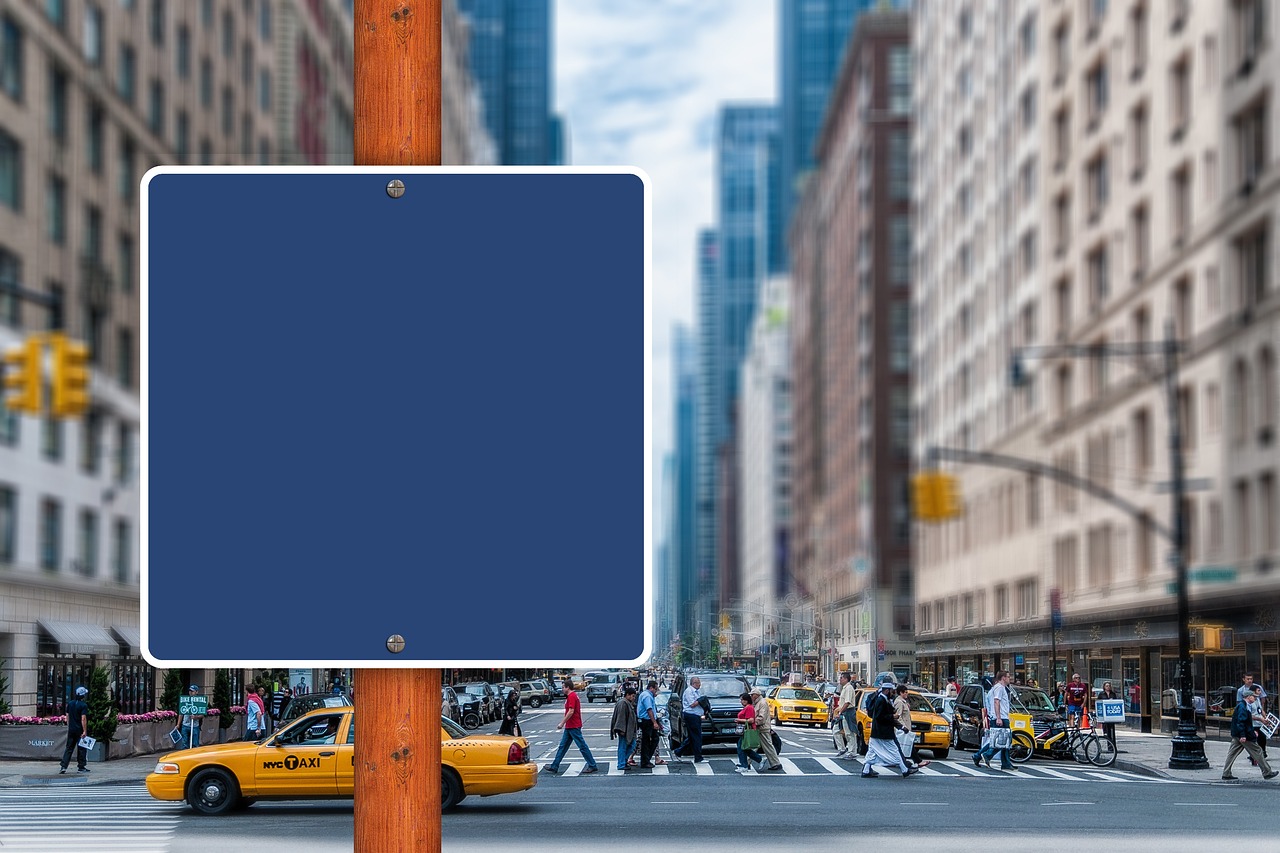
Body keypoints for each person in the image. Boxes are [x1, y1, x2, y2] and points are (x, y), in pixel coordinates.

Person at [860, 675, 915, 778]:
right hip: (883, 732)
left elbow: (881, 716)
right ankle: (904, 770)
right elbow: (879, 717)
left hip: (877, 732)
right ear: (887, 690)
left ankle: (866, 770)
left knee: (871, 752)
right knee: (895, 751)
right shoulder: (881, 700)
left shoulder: (884, 699)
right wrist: (892, 716)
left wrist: (901, 727)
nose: (893, 693)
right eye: (891, 691)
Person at [543, 679, 598, 775]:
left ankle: (592, 765)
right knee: (562, 746)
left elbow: (571, 711)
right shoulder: (571, 696)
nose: (562, 689)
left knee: (581, 746)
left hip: (573, 725)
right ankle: (555, 766)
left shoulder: (571, 696)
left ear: (568, 687)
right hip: (570, 726)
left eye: (563, 687)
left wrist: (562, 723)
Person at [1221, 688, 1278, 780]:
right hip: (1244, 736)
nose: (1255, 698)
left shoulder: (1244, 706)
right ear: (1248, 697)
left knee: (1232, 754)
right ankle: (1267, 772)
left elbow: (1246, 722)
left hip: (1238, 734)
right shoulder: (1243, 707)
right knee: (1258, 751)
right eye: (1253, 696)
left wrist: (1250, 731)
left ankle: (1226, 773)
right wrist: (1243, 735)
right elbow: (1241, 722)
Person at [974, 670, 1014, 771]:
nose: (1010, 679)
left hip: (998, 717)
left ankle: (1005, 763)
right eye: (1008, 677)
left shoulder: (997, 688)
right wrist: (999, 717)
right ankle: (987, 755)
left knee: (1000, 741)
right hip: (1000, 718)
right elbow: (996, 702)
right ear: (1003, 678)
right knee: (1001, 740)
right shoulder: (999, 688)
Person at [893, 683, 930, 770]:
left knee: (906, 745)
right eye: (905, 692)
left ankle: (909, 761)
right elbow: (898, 716)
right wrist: (903, 727)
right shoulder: (899, 702)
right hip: (903, 729)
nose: (907, 694)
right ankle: (917, 761)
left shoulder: (903, 702)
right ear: (900, 693)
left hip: (905, 728)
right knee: (907, 745)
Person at [749, 686, 784, 772]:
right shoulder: (758, 703)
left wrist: (754, 723)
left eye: (752, 695)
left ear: (756, 695)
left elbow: (762, 717)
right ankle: (747, 762)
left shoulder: (762, 703)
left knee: (765, 746)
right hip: (760, 728)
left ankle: (776, 763)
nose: (751, 697)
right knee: (757, 746)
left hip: (762, 728)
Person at [674, 676, 706, 762]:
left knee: (692, 737)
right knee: (697, 736)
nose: (700, 684)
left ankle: (679, 751)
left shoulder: (697, 691)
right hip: (691, 715)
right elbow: (692, 704)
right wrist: (700, 700)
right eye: (698, 682)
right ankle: (698, 756)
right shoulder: (689, 691)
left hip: (696, 716)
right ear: (694, 683)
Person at [59, 685, 90, 774]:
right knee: (82, 748)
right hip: (79, 730)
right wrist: (84, 730)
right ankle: (81, 766)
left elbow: (67, 715)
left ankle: (63, 766)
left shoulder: (70, 703)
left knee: (69, 748)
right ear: (83, 696)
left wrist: (69, 725)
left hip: (71, 729)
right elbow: (83, 718)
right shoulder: (83, 705)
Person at [1238, 673, 1268, 761]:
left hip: (1260, 722)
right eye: (1259, 691)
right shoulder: (1248, 701)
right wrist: (1260, 718)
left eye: (1251, 678)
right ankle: (1254, 756)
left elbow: (1261, 708)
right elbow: (1247, 714)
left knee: (1262, 738)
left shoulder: (1257, 699)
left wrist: (1265, 717)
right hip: (1253, 723)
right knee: (1254, 740)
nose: (1260, 692)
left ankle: (1262, 753)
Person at [610, 685, 639, 770]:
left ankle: (624, 761)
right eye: (633, 696)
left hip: (629, 730)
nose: (634, 698)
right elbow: (621, 717)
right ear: (628, 695)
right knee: (623, 747)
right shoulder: (623, 703)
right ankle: (621, 764)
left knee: (631, 745)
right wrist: (621, 729)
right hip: (624, 730)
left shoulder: (627, 703)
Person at [637, 680, 664, 768]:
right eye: (655, 689)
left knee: (653, 739)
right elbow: (649, 710)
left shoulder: (647, 695)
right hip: (647, 721)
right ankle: (645, 760)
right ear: (651, 688)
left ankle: (646, 759)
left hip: (647, 720)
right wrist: (654, 722)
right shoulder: (647, 696)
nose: (656, 691)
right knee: (647, 740)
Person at [734, 692, 763, 772]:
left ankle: (744, 765)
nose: (741, 701)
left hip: (747, 730)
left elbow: (751, 720)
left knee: (741, 747)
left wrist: (739, 720)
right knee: (744, 747)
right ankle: (757, 760)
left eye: (742, 700)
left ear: (746, 700)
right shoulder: (747, 707)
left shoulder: (749, 708)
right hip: (744, 730)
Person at [834, 671, 858, 759]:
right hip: (843, 712)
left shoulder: (849, 688)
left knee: (849, 733)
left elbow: (847, 702)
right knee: (836, 730)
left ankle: (852, 752)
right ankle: (842, 748)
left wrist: (840, 712)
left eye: (841, 678)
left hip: (848, 712)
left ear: (845, 679)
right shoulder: (844, 688)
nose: (839, 680)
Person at [1096, 681, 1119, 745]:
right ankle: (1109, 744)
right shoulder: (1101, 694)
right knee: (1106, 730)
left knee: (1112, 730)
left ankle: (1113, 744)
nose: (1108, 687)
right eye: (1106, 686)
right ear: (1104, 687)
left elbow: (1116, 702)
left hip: (1111, 714)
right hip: (1105, 715)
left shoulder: (1113, 694)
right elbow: (1098, 703)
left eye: (1109, 686)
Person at [180, 685, 202, 749]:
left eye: (192, 691)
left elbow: (202, 714)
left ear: (196, 692)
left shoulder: (200, 702)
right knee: (184, 743)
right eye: (190, 691)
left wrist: (196, 717)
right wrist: (178, 724)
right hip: (185, 725)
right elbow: (181, 713)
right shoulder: (185, 701)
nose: (190, 692)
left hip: (195, 726)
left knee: (195, 744)